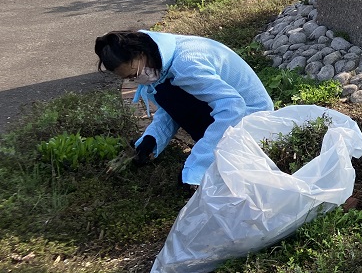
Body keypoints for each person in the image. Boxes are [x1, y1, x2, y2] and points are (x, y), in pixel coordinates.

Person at [96, 30, 273, 186]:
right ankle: (215, 151)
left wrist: (197, 167)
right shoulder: (159, 56)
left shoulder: (186, 65)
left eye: (134, 74)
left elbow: (233, 108)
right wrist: (152, 138)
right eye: (129, 79)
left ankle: (222, 156)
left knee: (167, 92)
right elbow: (173, 107)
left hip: (255, 126)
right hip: (236, 113)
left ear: (140, 53)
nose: (136, 80)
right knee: (166, 92)